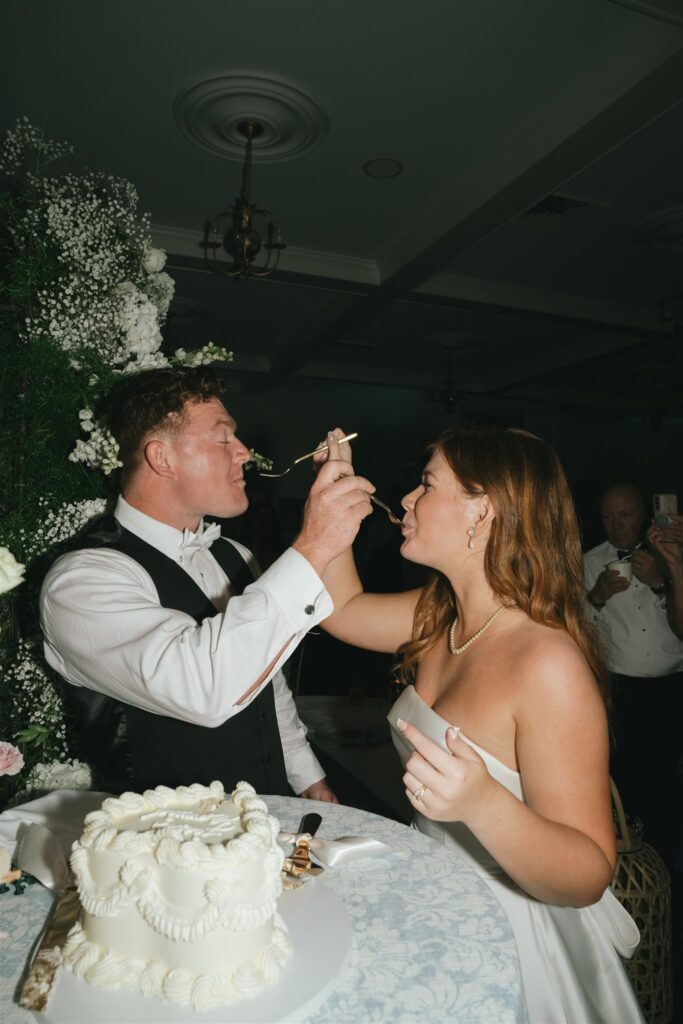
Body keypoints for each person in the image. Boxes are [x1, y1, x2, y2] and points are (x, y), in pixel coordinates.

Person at [318, 426, 642, 1024]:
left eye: (427, 484)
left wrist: (482, 802)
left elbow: (589, 873)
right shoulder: (437, 615)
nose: (408, 500)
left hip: (513, 927)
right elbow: (342, 612)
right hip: (432, 892)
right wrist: (334, 497)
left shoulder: (547, 662)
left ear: (484, 510)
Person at [40, 367, 374, 799]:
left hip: (267, 814)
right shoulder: (81, 581)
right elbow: (205, 689)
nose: (244, 453)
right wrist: (315, 544)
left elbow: (267, 680)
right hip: (158, 849)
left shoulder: (235, 555)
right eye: (223, 438)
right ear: (163, 458)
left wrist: (306, 775)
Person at [583, 484, 683, 868]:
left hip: (670, 689)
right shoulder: (590, 562)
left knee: (665, 784)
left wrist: (662, 580)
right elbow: (576, 631)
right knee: (619, 781)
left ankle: (663, 866)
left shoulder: (672, 556)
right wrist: (596, 596)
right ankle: (621, 866)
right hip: (618, 689)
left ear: (643, 516)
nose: (615, 524)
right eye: (608, 516)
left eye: (624, 515)